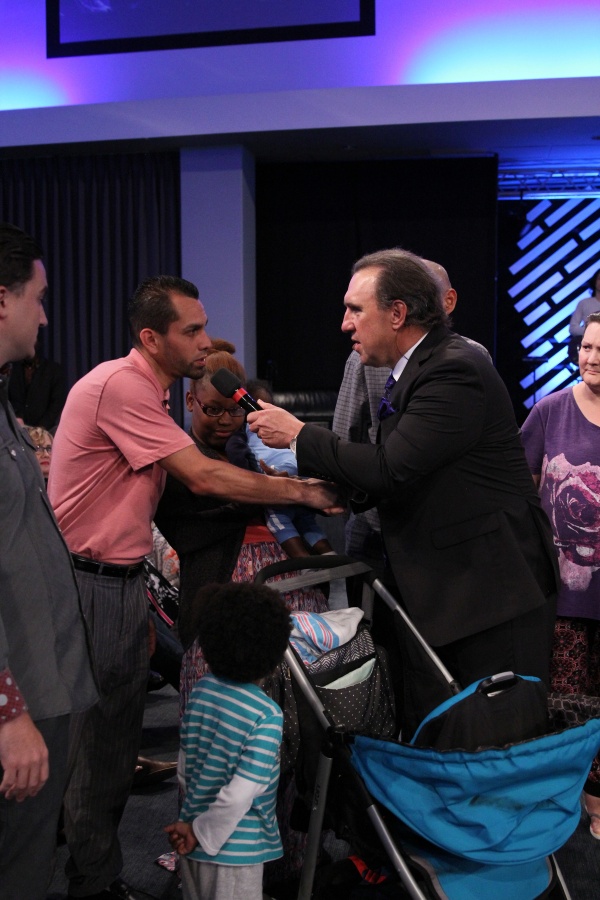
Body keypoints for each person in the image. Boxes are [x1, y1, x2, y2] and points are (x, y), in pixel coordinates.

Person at [47, 275, 341, 900]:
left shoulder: (148, 395)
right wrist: (303, 491)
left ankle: (93, 877)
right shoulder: (123, 385)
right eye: (193, 330)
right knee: (93, 743)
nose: (206, 341)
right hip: (88, 582)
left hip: (118, 581)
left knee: (112, 738)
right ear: (151, 338)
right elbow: (202, 479)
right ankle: (88, 882)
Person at [249, 247, 559, 736]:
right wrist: (337, 490)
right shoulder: (415, 369)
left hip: (489, 600)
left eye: (355, 309)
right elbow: (408, 472)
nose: (345, 324)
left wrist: (298, 434)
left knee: (493, 749)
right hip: (451, 594)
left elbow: (391, 468)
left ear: (397, 314)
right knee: (439, 738)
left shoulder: (454, 368)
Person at [0, 222, 97, 900]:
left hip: (43, 690)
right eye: (38, 298)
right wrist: (8, 712)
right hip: (20, 705)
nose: (45, 316)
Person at [332, 259, 492, 588]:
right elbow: (344, 436)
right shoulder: (362, 357)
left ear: (448, 301)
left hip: (443, 537)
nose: (348, 323)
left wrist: (300, 436)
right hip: (372, 529)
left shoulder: (467, 360)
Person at [521, 311, 600, 838]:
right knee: (564, 701)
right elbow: (519, 490)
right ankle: (558, 799)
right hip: (563, 594)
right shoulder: (550, 411)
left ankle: (597, 799)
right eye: (586, 347)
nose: (590, 358)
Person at [165, 581, 292, 900]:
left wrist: (192, 825)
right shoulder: (266, 715)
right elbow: (240, 794)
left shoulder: (202, 690)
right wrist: (202, 832)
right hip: (233, 849)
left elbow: (185, 766)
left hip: (190, 832)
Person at [8, 335, 67, 430]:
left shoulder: (53, 370)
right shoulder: (12, 369)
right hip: (16, 428)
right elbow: (8, 398)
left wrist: (41, 427)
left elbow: (57, 403)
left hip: (45, 430)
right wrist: (17, 418)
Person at [568, 268, 600, 364]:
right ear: (594, 281)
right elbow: (573, 328)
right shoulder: (584, 303)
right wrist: (591, 332)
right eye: (599, 279)